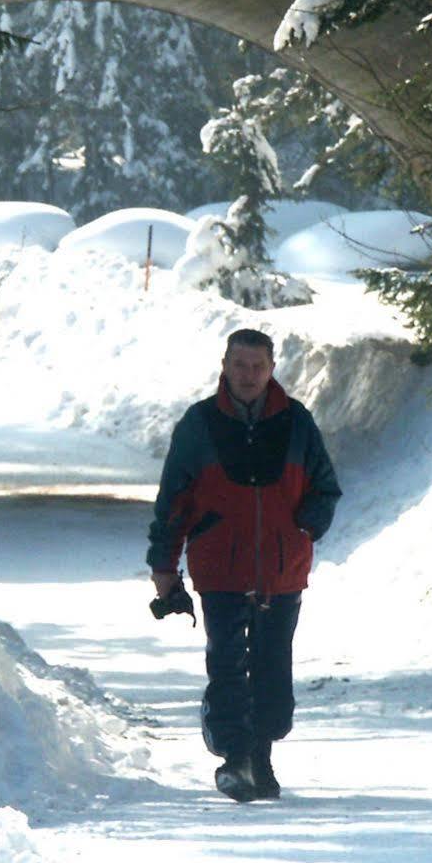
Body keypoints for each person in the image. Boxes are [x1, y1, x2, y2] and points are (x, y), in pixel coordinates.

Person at [146, 328, 342, 802]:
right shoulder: (199, 423)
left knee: (273, 670)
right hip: (220, 568)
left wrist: (304, 529)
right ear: (225, 366)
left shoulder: (296, 422)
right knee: (229, 663)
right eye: (240, 365)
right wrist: (164, 565)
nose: (249, 375)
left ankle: (262, 754)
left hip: (281, 569)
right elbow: (173, 499)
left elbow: (326, 487)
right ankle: (236, 758)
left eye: (258, 366)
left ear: (272, 369)